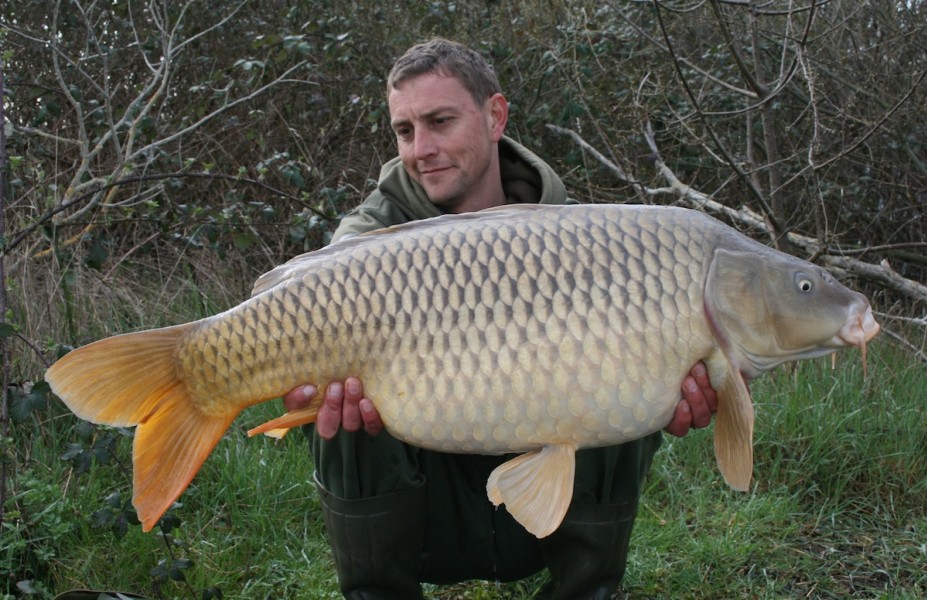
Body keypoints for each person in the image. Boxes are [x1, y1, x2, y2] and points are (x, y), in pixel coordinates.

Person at [283, 38, 718, 599]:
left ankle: (584, 591)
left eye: (440, 122)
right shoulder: (369, 245)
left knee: (620, 376)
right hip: (425, 515)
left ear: (495, 116)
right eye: (405, 131)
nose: (421, 150)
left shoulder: (573, 237)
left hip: (535, 516)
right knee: (345, 412)